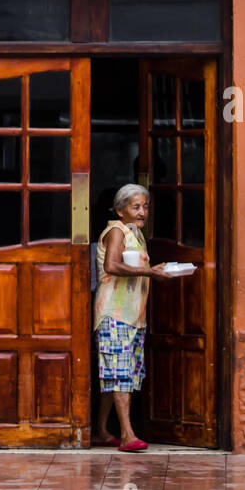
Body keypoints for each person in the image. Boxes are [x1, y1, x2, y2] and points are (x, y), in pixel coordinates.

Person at [93, 182, 183, 452]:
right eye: (136, 207)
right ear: (121, 211)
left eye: (145, 206)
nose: (142, 211)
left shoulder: (135, 233)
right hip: (114, 314)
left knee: (121, 374)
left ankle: (101, 429)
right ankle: (127, 434)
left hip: (133, 316)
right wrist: (151, 273)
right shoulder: (117, 231)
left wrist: (156, 271)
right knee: (120, 375)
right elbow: (111, 265)